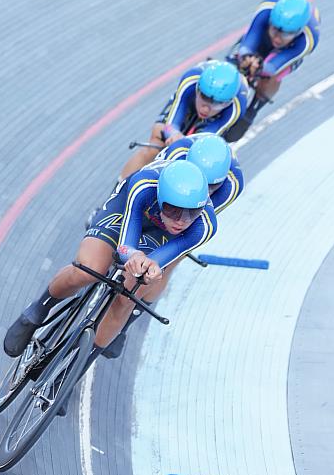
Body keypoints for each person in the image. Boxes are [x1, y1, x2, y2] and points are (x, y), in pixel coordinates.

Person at [3, 160, 218, 376]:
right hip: (126, 213)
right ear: (161, 198)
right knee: (88, 269)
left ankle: (73, 373)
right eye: (173, 210)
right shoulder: (143, 186)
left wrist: (151, 268)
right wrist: (132, 255)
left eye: (192, 212)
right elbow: (125, 246)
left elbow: (162, 259)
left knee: (126, 298)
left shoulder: (204, 225)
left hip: (160, 236)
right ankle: (37, 311)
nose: (182, 221)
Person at [102, 133, 244, 359]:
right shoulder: (177, 153)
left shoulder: (231, 185)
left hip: (182, 220)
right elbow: (151, 189)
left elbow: (194, 224)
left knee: (170, 261)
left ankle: (126, 323)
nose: (205, 190)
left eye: (212, 186)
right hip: (165, 201)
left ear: (222, 181)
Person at [117, 60, 247, 181]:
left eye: (217, 103)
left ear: (228, 103)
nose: (206, 108)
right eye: (204, 97)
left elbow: (204, 141)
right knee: (156, 142)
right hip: (189, 101)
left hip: (215, 121)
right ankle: (116, 197)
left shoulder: (236, 107)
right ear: (198, 89)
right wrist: (173, 134)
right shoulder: (190, 81)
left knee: (197, 162)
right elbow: (170, 125)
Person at [224, 0, 320, 142]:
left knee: (271, 77)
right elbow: (249, 41)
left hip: (288, 52)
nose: (277, 38)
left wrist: (261, 68)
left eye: (285, 34)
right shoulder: (266, 8)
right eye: (275, 30)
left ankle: (254, 108)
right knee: (237, 59)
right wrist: (245, 57)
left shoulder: (308, 39)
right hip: (262, 37)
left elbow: (274, 65)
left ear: (299, 31)